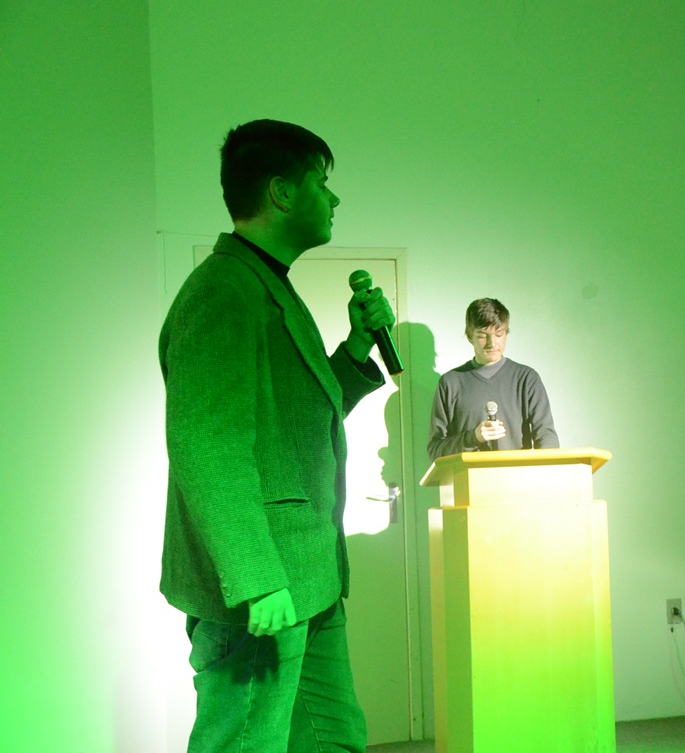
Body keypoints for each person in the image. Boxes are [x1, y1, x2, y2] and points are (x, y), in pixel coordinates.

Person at [159, 120, 395, 753]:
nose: (334, 198)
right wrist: (256, 577)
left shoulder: (269, 287)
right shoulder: (223, 290)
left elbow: (297, 420)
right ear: (282, 192)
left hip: (308, 575)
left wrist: (357, 347)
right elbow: (207, 444)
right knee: (243, 742)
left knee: (333, 738)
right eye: (322, 182)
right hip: (264, 585)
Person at [427, 298, 559, 460]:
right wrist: (473, 437)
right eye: (482, 336)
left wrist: (545, 467)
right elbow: (435, 450)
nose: (492, 343)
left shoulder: (526, 378)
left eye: (499, 334)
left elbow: (546, 436)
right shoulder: (450, 383)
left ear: (506, 334)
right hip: (468, 475)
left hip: (516, 474)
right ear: (469, 336)